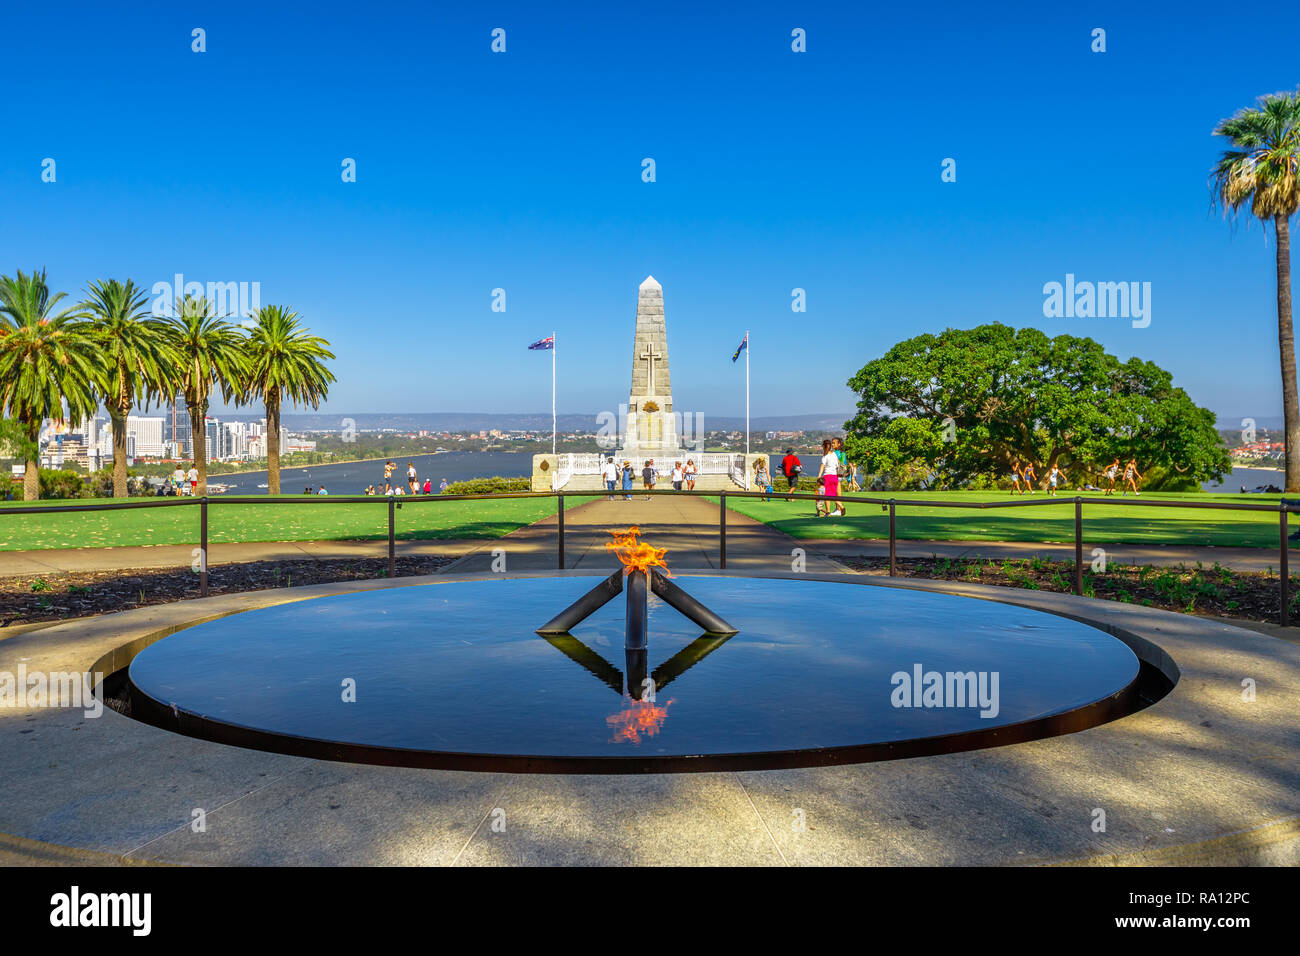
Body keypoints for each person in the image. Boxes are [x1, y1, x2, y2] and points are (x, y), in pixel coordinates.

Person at [817, 438, 842, 517]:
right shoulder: (834, 454)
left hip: (827, 476)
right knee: (833, 495)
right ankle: (841, 506)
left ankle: (828, 512)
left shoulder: (825, 456)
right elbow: (838, 463)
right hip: (835, 477)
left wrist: (819, 475)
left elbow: (822, 465)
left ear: (824, 447)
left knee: (827, 495)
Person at [832, 437, 849, 516]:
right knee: (836, 492)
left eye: (834, 443)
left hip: (837, 473)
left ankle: (839, 509)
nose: (832, 445)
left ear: (839, 444)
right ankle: (837, 508)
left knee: (837, 492)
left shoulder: (836, 453)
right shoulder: (842, 452)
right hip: (841, 473)